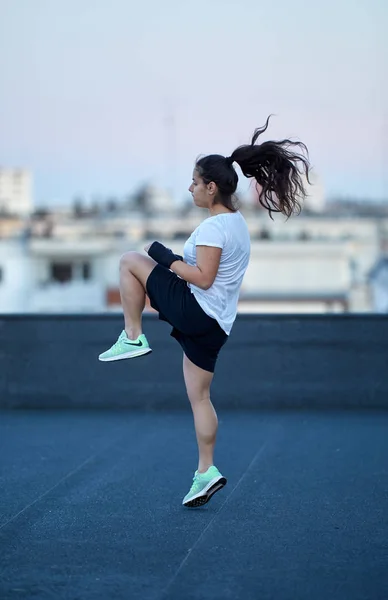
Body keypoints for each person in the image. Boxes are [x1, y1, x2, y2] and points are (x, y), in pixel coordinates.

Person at [98, 116, 311, 508]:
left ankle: (132, 336)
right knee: (199, 398)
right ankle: (205, 472)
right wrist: (172, 263)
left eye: (195, 183)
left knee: (131, 259)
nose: (191, 188)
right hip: (217, 324)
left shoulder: (215, 228)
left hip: (198, 308)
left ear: (211, 188)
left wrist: (164, 257)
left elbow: (204, 278)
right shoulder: (237, 225)